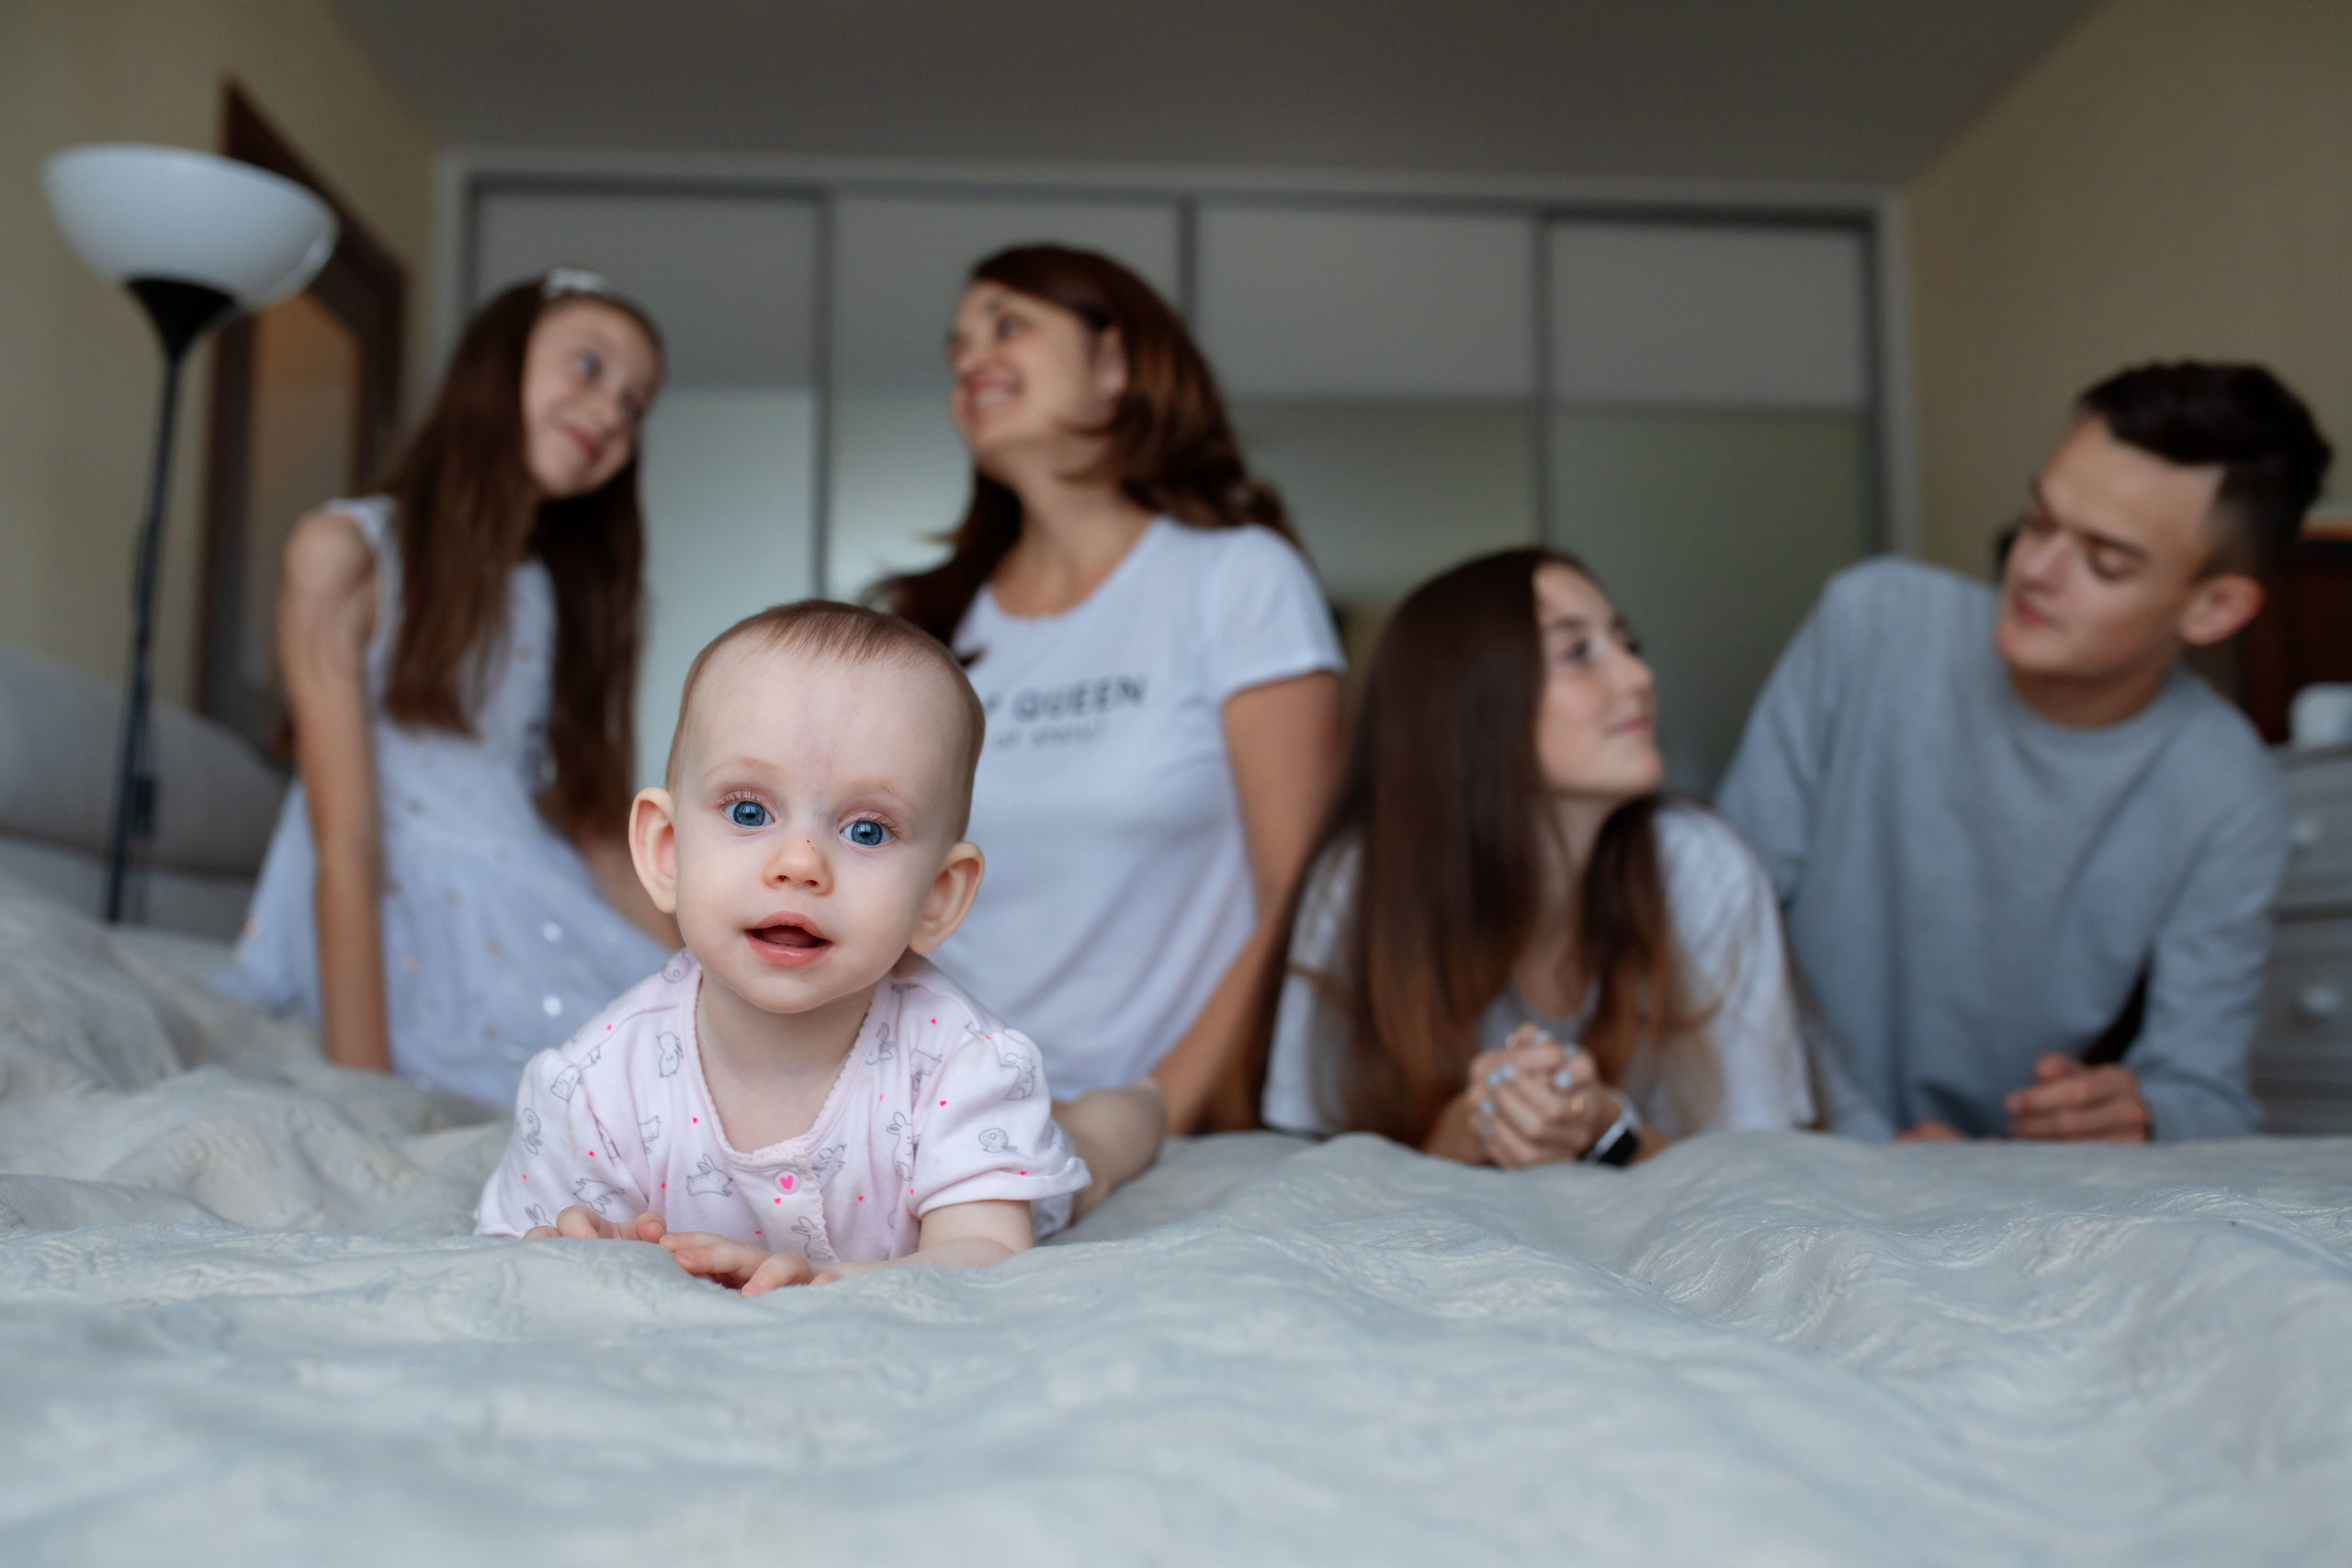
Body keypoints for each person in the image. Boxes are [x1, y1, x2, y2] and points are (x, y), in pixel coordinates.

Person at [1717, 362, 2333, 1143]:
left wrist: (2136, 1115)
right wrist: (1867, 1143)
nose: (2034, 570)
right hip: (1774, 1127)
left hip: (1985, 1177)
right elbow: (1721, 937)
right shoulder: (1871, 624)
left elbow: (2205, 1093)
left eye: (2104, 562)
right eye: (2038, 521)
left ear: (2214, 608)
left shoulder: (2227, 786)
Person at [475, 603, 1154, 1292]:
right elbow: (523, 1243)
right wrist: (592, 1237)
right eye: (749, 812)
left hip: (981, 1151)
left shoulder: (962, 1065)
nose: (800, 863)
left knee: (1089, 1160)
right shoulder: (596, 1085)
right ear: (666, 851)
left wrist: (830, 1281)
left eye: (867, 830)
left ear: (938, 897)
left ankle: (1140, 1102)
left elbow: (984, 1249)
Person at [877, 245, 1345, 1134]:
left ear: (1115, 364)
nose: (972, 360)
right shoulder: (929, 622)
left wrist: (1147, 1118)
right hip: (936, 1122)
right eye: (957, 349)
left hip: (1161, 1131)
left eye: (1009, 327)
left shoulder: (1239, 579)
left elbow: (1303, 892)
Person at [220, 271, 677, 1108]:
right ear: (498, 363)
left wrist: (727, 968)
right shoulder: (348, 551)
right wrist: (366, 1098)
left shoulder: (558, 589)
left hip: (530, 880)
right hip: (410, 913)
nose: (613, 410)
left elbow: (596, 829)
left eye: (636, 404)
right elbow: (346, 842)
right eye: (589, 366)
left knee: (705, 1048)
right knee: (615, 1091)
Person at [1257, 548, 1816, 1163]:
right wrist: (1472, 1128)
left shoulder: (1706, 870)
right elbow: (1316, 1175)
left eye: (1628, 644)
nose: (1637, 676)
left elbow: (1762, 1172)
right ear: (1468, 703)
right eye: (1579, 653)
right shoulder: (1358, 885)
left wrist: (1606, 1126)